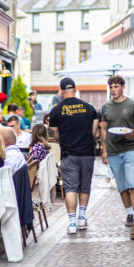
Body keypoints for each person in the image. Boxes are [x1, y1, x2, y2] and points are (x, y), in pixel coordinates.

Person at [50, 77, 99, 234]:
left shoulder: (56, 111)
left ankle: (72, 223)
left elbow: (55, 135)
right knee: (84, 186)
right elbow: (94, 132)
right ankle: (82, 218)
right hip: (87, 153)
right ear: (75, 90)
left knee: (70, 188)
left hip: (68, 154)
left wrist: (65, 139)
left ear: (61, 91)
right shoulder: (89, 108)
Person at [100, 75, 134, 227]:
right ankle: (130, 214)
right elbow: (103, 129)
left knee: (132, 183)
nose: (113, 90)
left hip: (130, 147)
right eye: (111, 87)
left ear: (123, 87)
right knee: (122, 187)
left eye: (116, 86)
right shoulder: (106, 107)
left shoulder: (132, 105)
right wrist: (104, 150)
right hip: (113, 150)